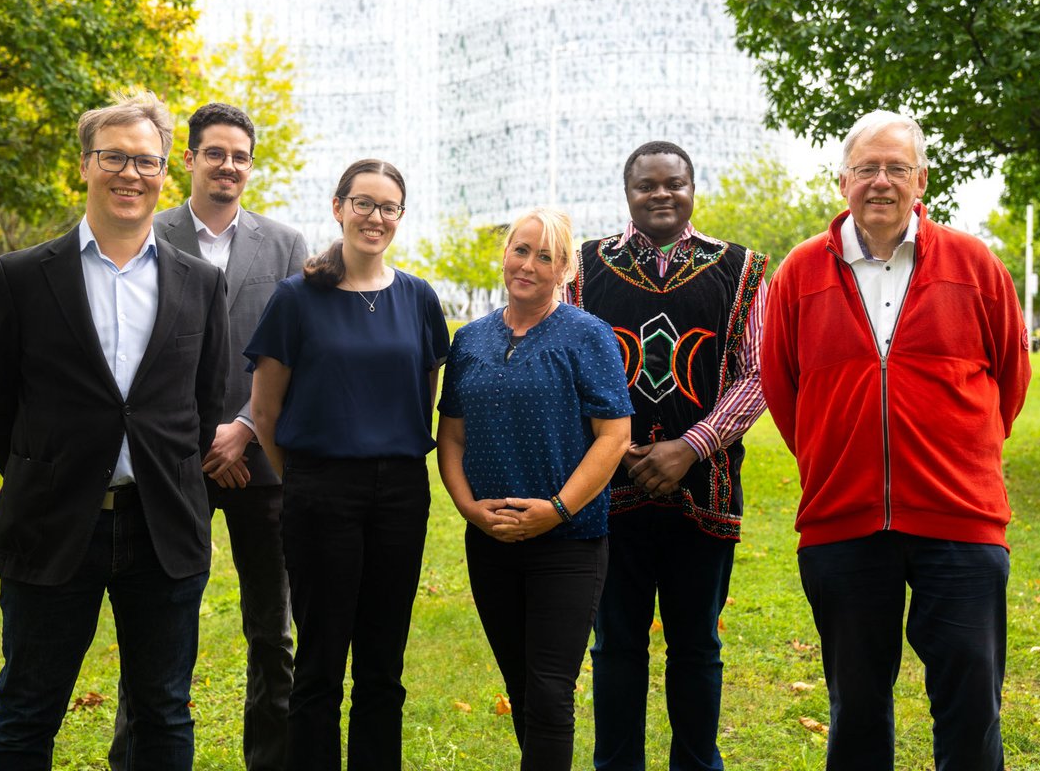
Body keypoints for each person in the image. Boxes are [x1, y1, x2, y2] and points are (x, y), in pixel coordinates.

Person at [760, 110, 1031, 770]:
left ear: (921, 181)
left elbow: (1011, 379)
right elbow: (781, 386)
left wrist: (958, 460)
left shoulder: (974, 265)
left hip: (961, 522)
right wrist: (837, 457)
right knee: (855, 705)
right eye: (867, 168)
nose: (881, 181)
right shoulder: (799, 274)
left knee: (971, 703)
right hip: (842, 524)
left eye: (896, 168)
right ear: (843, 181)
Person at [0, 91, 229, 770]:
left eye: (145, 161)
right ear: (85, 165)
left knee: (165, 711)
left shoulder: (199, 283)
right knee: (27, 708)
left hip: (162, 528)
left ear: (165, 172)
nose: (130, 174)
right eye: (114, 157)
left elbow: (201, 406)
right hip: (53, 524)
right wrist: (50, 470)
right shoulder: (21, 278)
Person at [109, 102, 307, 771]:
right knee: (155, 628)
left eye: (241, 156)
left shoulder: (284, 245)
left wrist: (246, 426)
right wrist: (199, 441)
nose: (229, 165)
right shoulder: (146, 233)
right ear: (188, 159)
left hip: (263, 464)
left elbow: (295, 352)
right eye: (216, 153)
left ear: (251, 167)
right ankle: (134, 754)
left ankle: (271, 758)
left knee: (271, 634)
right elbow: (131, 354)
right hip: (168, 465)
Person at [568, 141, 769, 771]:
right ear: (627, 192)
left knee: (697, 649)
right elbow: (570, 365)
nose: (662, 194)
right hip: (609, 491)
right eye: (647, 185)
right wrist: (620, 450)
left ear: (692, 188)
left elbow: (758, 373)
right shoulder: (583, 267)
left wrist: (691, 446)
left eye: (674, 184)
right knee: (615, 647)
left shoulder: (743, 269)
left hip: (703, 490)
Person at [246, 159, 450, 771]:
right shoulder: (296, 298)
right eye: (363, 203)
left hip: (401, 494)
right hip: (320, 490)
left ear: (400, 218)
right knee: (320, 662)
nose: (375, 217)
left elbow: (427, 392)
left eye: (388, 207)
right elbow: (265, 410)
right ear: (338, 207)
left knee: (383, 665)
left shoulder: (418, 298)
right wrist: (307, 479)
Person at [437, 208, 633, 770]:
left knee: (550, 691)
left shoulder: (587, 334)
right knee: (522, 686)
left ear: (565, 269)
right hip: (491, 540)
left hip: (568, 542)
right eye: (520, 250)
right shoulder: (470, 340)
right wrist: (469, 508)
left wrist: (557, 509)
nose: (528, 264)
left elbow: (614, 436)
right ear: (505, 255)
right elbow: (450, 436)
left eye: (545, 256)